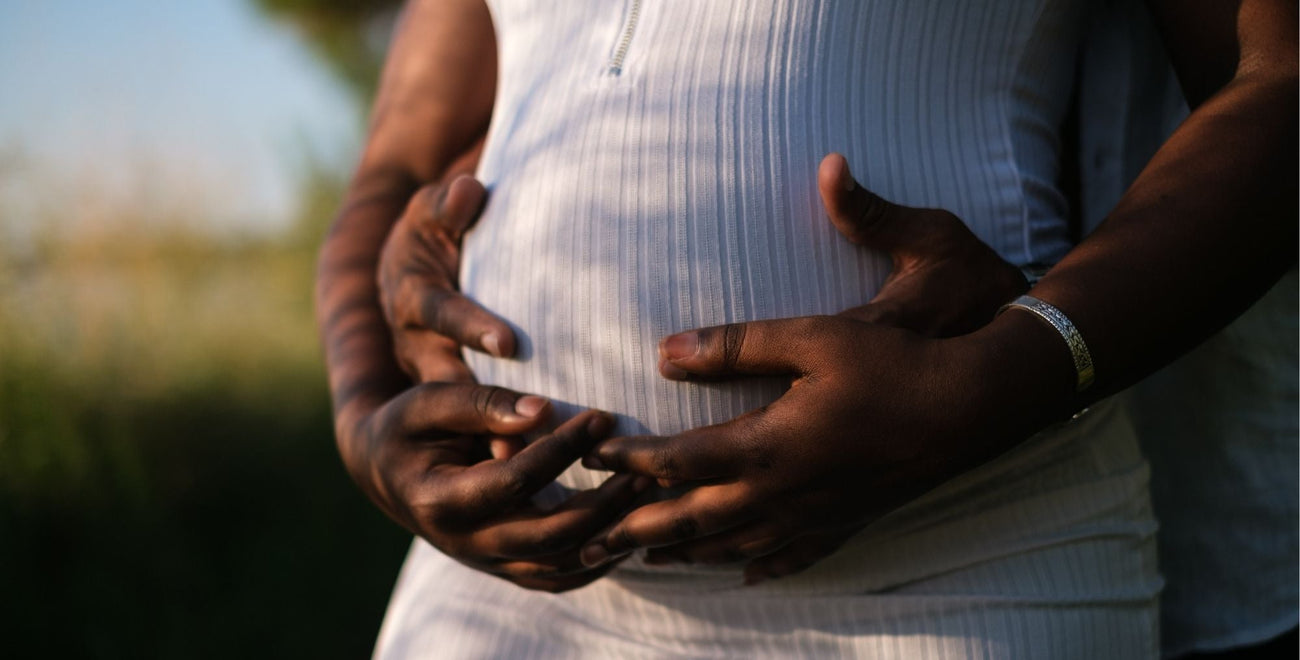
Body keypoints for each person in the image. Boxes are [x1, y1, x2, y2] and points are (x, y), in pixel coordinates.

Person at [313, 0, 1297, 657]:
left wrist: (1010, 374)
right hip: (500, 598)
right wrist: (364, 419)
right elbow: (399, 158)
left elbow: (1278, 81)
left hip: (962, 569)